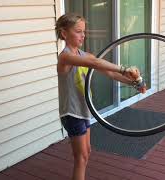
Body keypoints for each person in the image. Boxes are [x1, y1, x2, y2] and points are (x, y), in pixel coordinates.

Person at [55, 13, 146, 180]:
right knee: (80, 158)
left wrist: (134, 83)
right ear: (64, 33)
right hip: (71, 113)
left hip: (83, 111)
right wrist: (124, 68)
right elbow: (96, 63)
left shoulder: (85, 55)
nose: (83, 35)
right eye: (78, 31)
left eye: (84, 31)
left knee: (86, 153)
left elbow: (110, 73)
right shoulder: (65, 57)